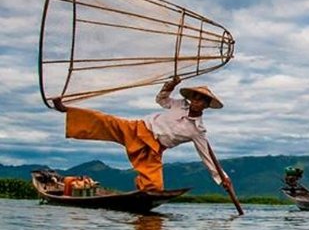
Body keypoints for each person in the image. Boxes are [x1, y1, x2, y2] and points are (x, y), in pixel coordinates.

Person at [53, 77, 232, 193]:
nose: (195, 101)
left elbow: (207, 157)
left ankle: (139, 198)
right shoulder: (179, 105)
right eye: (194, 97)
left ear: (206, 105)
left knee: (154, 187)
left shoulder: (198, 131)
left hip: (153, 148)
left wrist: (223, 178)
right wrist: (169, 87)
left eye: (200, 100)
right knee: (104, 120)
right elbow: (161, 100)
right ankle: (66, 109)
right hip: (138, 128)